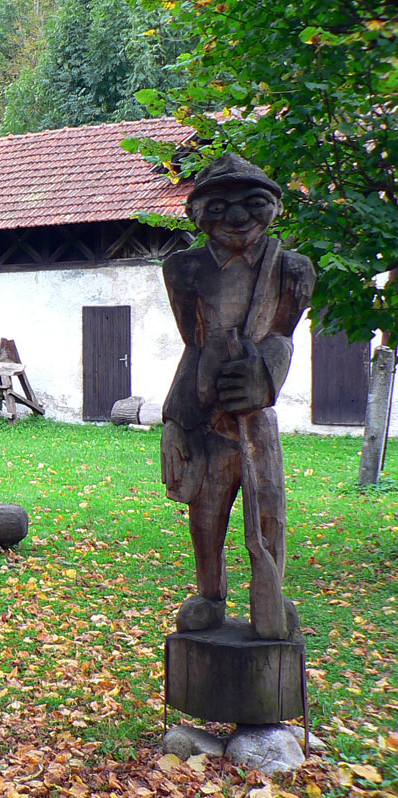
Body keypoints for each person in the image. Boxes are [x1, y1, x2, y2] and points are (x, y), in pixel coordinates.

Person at [161, 154, 315, 638]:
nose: (236, 216)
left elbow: (283, 336)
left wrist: (264, 375)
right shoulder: (184, 269)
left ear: (275, 207)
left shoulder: (291, 269)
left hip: (256, 421)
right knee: (206, 513)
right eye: (218, 206)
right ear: (194, 213)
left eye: (252, 203)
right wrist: (175, 421)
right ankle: (210, 593)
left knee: (268, 507)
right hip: (207, 418)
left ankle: (270, 593)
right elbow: (193, 345)